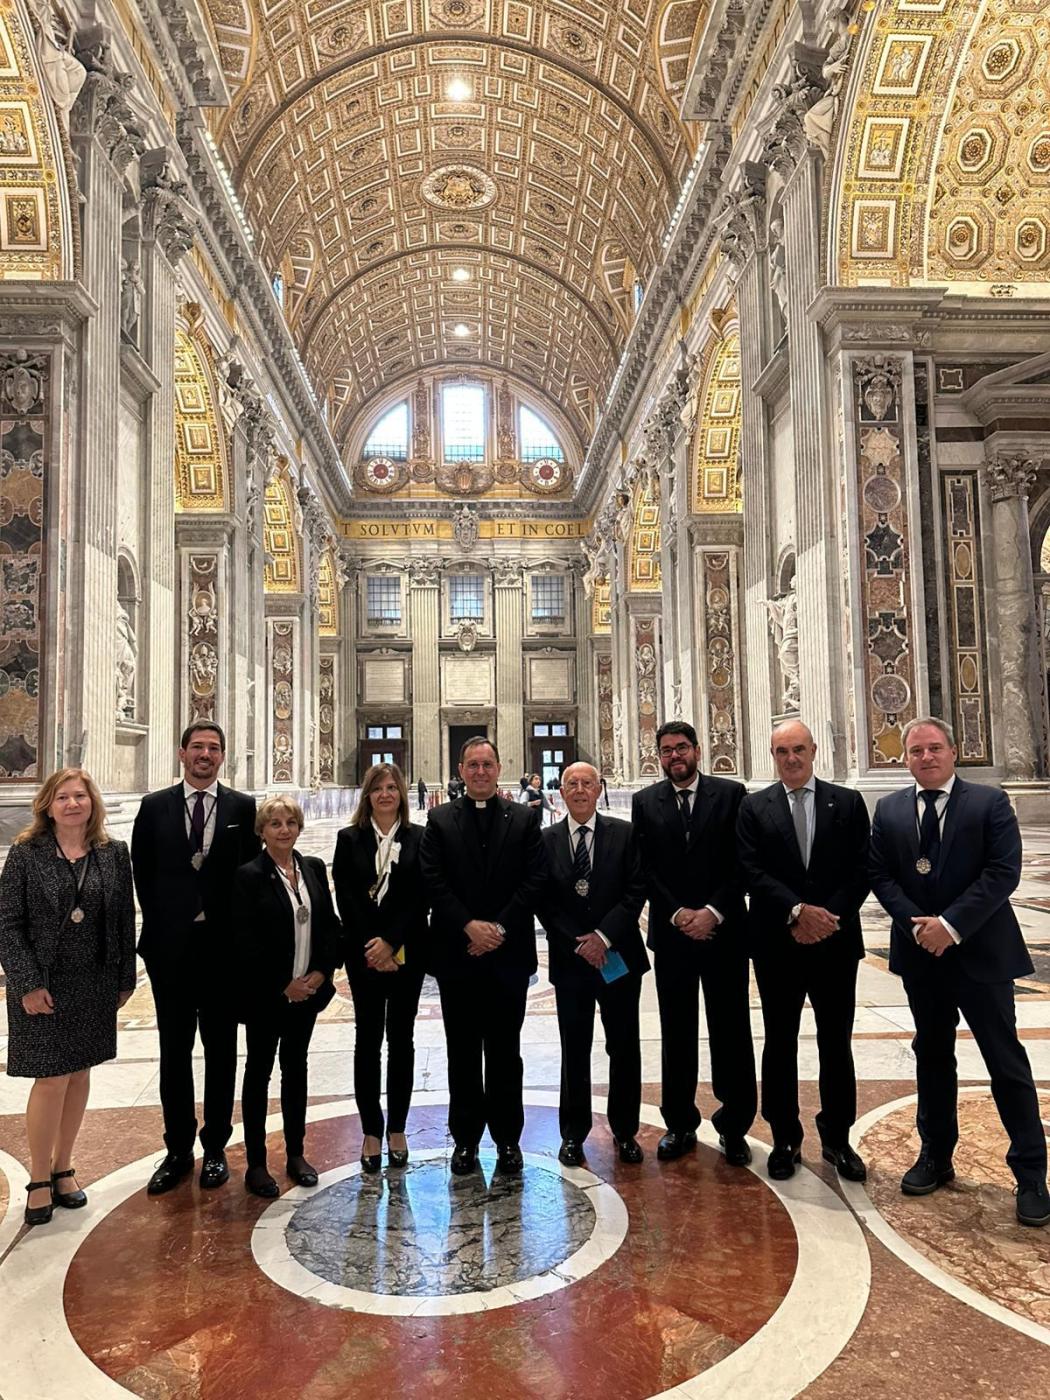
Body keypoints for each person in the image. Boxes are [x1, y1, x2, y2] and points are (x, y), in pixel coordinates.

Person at [870, 716, 1049, 1227]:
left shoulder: (989, 803)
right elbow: (879, 874)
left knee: (1005, 1060)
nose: (925, 758)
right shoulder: (890, 809)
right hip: (921, 954)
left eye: (934, 749)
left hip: (981, 953)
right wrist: (916, 925)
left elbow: (1003, 873)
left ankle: (1031, 1172)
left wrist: (951, 925)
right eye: (915, 751)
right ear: (905, 759)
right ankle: (935, 1155)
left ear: (954, 752)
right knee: (931, 1055)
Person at [0, 769, 136, 1226]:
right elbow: (8, 925)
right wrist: (25, 983)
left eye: (80, 796)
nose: (73, 804)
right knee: (51, 1078)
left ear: (93, 803)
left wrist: (125, 980)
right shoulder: (25, 855)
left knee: (78, 1074)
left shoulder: (113, 854)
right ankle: (39, 1176)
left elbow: (121, 921)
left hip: (95, 981)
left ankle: (64, 1167)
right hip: (44, 981)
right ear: (47, 805)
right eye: (63, 797)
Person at [737, 721, 871, 1181]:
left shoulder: (847, 802)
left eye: (798, 749)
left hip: (834, 941)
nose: (791, 758)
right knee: (779, 1042)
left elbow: (862, 868)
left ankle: (837, 1138)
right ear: (771, 755)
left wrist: (825, 917)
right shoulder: (755, 806)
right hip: (778, 942)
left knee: (837, 1042)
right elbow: (750, 871)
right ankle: (785, 1137)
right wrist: (796, 912)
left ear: (813, 751)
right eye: (781, 751)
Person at [131, 722, 259, 1195]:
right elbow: (141, 873)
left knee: (222, 1052)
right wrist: (169, 922)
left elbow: (251, 877)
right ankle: (178, 1148)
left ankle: (216, 1147)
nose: (206, 755)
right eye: (198, 747)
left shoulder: (243, 809)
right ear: (182, 752)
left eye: (214, 748)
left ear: (223, 756)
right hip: (172, 950)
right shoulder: (154, 807)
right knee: (174, 1052)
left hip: (223, 951)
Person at [420, 736, 548, 1174]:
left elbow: (535, 880)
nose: (479, 772)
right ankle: (466, 1141)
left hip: (507, 956)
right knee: (461, 1052)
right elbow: (433, 881)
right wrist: (468, 926)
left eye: (487, 764)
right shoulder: (438, 820)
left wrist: (498, 928)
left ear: (499, 768)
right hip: (459, 956)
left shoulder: (524, 820)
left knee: (506, 1053)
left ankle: (508, 1139)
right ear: (460, 770)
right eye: (472, 765)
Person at [631, 721, 756, 1166]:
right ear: (659, 756)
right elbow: (645, 869)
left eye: (681, 748)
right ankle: (680, 1122)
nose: (674, 757)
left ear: (697, 750)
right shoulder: (645, 802)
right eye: (666, 751)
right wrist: (679, 913)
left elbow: (743, 863)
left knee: (731, 1030)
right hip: (673, 934)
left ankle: (735, 1124)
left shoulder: (731, 794)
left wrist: (713, 912)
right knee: (676, 1030)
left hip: (723, 932)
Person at [537, 762, 648, 1166]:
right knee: (575, 1047)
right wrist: (578, 942)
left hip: (618, 955)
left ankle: (624, 1130)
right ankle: (573, 1133)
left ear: (599, 789)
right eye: (572, 784)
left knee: (623, 1046)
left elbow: (636, 890)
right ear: (560, 792)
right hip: (571, 960)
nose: (580, 790)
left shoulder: (624, 833)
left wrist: (602, 937)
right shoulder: (545, 839)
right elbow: (542, 899)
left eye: (587, 783)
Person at [234, 797, 341, 1197]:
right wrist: (283, 983)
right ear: (262, 831)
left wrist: (321, 971)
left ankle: (296, 1154)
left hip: (307, 993)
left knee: (296, 1070)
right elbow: (244, 941)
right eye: (275, 823)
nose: (284, 830)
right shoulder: (249, 875)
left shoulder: (311, 868)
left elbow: (328, 924)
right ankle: (257, 1164)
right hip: (268, 995)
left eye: (290, 823)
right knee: (259, 1073)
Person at [333, 764, 429, 1172]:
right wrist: (374, 945)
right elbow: (347, 897)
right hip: (364, 954)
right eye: (378, 788)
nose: (386, 794)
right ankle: (372, 1129)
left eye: (392, 788)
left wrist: (392, 941)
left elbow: (421, 895)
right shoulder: (349, 838)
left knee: (402, 1040)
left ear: (402, 794)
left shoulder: (419, 838)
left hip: (407, 952)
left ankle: (399, 1128)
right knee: (367, 1041)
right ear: (367, 795)